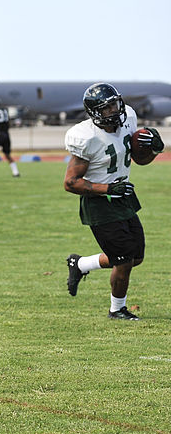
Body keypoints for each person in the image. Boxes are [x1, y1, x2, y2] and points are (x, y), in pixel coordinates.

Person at [63, 83, 164, 320]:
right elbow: (70, 182)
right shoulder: (86, 137)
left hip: (124, 195)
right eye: (106, 107)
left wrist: (153, 150)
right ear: (95, 112)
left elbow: (140, 160)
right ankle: (117, 309)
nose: (113, 110)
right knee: (124, 260)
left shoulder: (128, 117)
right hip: (100, 201)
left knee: (136, 257)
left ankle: (80, 265)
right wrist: (107, 188)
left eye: (114, 104)